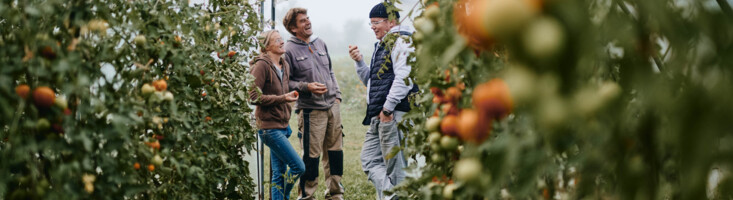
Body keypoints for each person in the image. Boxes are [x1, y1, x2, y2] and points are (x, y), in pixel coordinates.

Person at [348, 2, 418, 199]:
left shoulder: (402, 42)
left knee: (395, 168)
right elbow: (373, 82)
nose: (372, 27)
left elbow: (405, 78)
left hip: (392, 113)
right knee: (370, 160)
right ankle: (393, 196)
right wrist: (359, 61)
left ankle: (397, 195)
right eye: (370, 23)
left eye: (376, 22)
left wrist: (387, 109)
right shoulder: (384, 44)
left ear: (391, 22)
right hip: (380, 114)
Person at [282, 7, 345, 200]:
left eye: (307, 18)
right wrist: (306, 86)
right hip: (311, 111)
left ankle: (335, 194)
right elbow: (286, 82)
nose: (308, 22)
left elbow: (331, 72)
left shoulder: (320, 43)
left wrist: (337, 96)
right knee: (311, 157)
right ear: (293, 28)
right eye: (302, 21)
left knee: (335, 153)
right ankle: (307, 196)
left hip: (332, 107)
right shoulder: (288, 50)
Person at [249, 30, 304, 200]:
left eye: (282, 39)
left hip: (282, 126)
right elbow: (254, 97)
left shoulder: (284, 64)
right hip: (269, 128)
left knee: (278, 174)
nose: (282, 42)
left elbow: (283, 92)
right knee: (298, 167)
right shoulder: (261, 66)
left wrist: (289, 96)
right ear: (266, 46)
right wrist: (282, 98)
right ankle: (284, 196)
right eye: (277, 40)